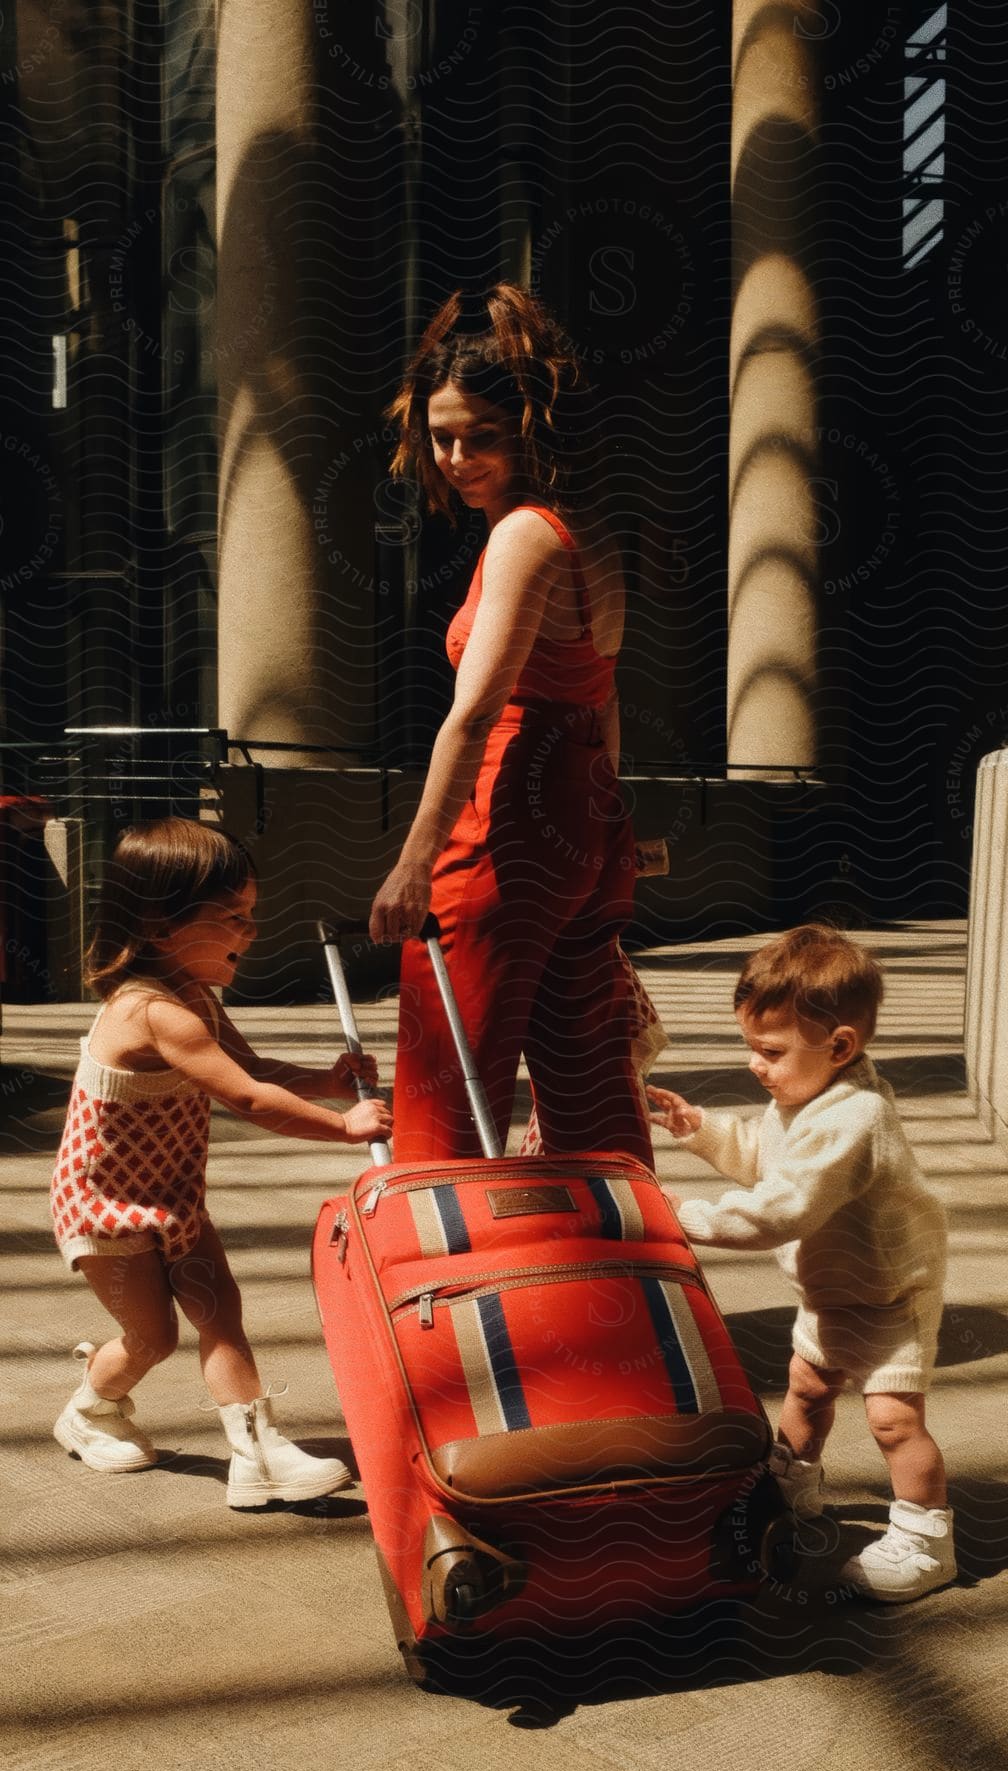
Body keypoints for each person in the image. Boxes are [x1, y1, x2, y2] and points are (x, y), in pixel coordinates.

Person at [369, 283, 653, 1167]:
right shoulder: (589, 528)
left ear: (531, 427)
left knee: (449, 1068)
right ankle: (625, 1264)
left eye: (479, 435)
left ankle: (449, 1278)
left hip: (506, 824)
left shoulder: (523, 535)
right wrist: (607, 825)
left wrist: (413, 863)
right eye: (439, 435)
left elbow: (478, 711)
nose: (455, 456)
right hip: (583, 823)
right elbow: (603, 700)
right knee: (588, 1071)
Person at [49, 818, 392, 1506]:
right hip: (104, 1204)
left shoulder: (195, 995)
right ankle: (87, 1412)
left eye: (251, 914)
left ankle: (256, 1451)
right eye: (231, 918)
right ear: (160, 922)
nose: (250, 931)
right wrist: (343, 1126)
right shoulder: (150, 1011)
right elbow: (245, 1096)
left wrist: (324, 1080)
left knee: (220, 1313)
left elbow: (254, 1067)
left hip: (171, 1193)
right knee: (150, 1337)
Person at [648, 925, 955, 1603]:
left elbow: (781, 1208)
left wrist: (682, 1216)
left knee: (893, 1420)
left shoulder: (857, 1119)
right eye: (751, 1047)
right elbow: (765, 1153)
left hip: (889, 1295)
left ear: (840, 1046)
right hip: (831, 1287)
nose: (757, 1065)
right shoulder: (804, 1097)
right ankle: (790, 1483)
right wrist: (701, 1130)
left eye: (770, 1051)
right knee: (808, 1388)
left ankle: (927, 1540)